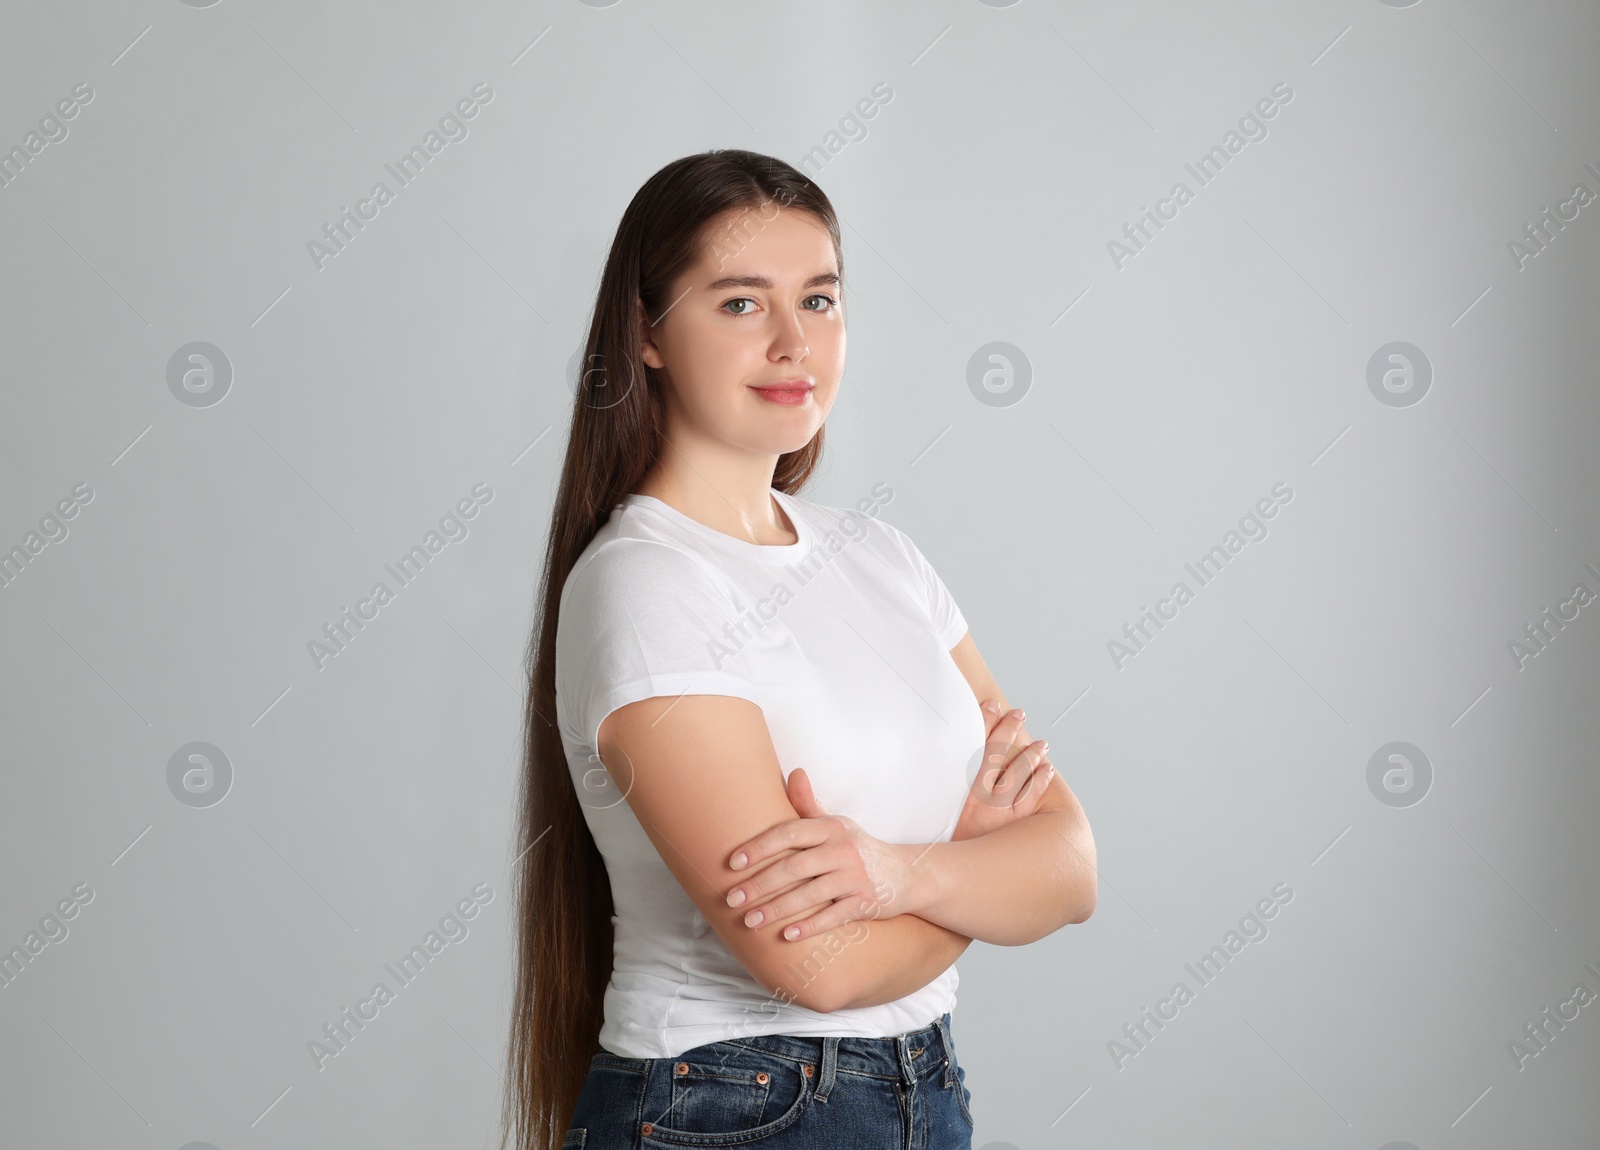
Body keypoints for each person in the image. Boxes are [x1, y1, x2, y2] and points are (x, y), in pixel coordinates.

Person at [502, 149, 1097, 1150]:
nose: (793, 342)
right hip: (733, 1106)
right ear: (645, 335)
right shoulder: (645, 581)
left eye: (818, 300)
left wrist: (897, 876)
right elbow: (812, 964)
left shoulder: (882, 558)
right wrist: (976, 873)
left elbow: (1070, 866)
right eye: (740, 304)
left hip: (925, 1085)